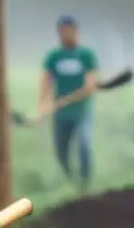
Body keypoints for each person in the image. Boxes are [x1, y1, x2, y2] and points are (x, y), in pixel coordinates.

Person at [39, 15, 98, 192]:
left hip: (81, 112)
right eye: (63, 31)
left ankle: (85, 183)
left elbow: (90, 84)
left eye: (70, 31)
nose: (67, 35)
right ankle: (70, 180)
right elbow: (46, 81)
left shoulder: (86, 55)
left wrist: (84, 89)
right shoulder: (54, 57)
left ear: (76, 31)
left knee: (84, 144)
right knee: (61, 152)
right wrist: (44, 103)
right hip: (60, 114)